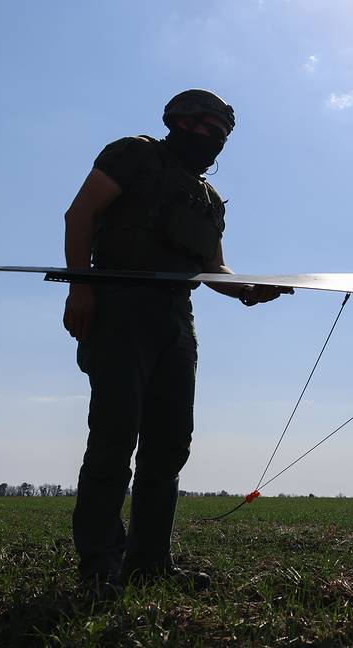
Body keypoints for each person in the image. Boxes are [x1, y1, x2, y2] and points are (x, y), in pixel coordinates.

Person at [61, 89, 287, 594]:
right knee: (114, 438)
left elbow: (214, 269)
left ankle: (150, 563)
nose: (213, 139)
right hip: (119, 306)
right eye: (205, 127)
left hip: (176, 320)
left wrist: (250, 290)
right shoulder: (133, 153)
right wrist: (82, 288)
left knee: (168, 445)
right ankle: (100, 563)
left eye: (222, 134)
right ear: (178, 122)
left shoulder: (206, 199)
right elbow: (79, 215)